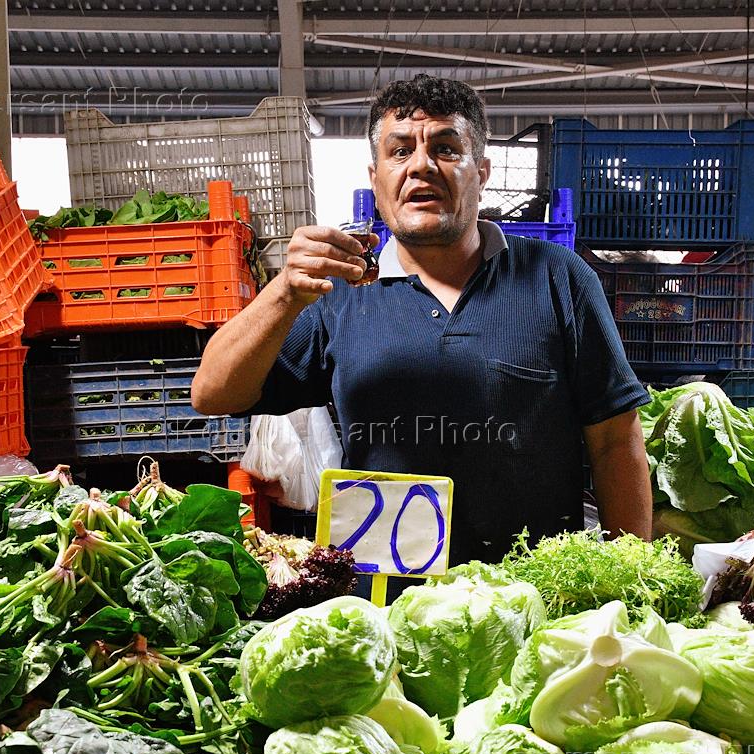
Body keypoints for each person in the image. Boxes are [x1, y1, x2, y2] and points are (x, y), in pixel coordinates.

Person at [192, 74, 652, 567]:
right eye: (400, 151)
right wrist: (283, 291)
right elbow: (213, 394)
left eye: (446, 149)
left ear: (482, 172)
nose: (421, 166)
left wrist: (631, 575)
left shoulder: (556, 276)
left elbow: (615, 440)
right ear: (376, 179)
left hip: (533, 595)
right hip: (384, 600)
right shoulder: (336, 293)